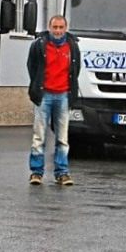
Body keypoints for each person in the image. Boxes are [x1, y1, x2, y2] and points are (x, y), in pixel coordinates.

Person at [26, 15, 81, 186]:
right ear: (49, 27)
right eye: (55, 27)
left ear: (66, 28)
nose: (57, 31)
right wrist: (37, 87)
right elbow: (32, 67)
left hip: (63, 95)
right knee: (39, 137)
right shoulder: (38, 45)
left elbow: (76, 68)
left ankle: (62, 173)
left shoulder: (72, 46)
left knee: (62, 138)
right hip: (44, 96)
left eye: (61, 27)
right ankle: (36, 172)